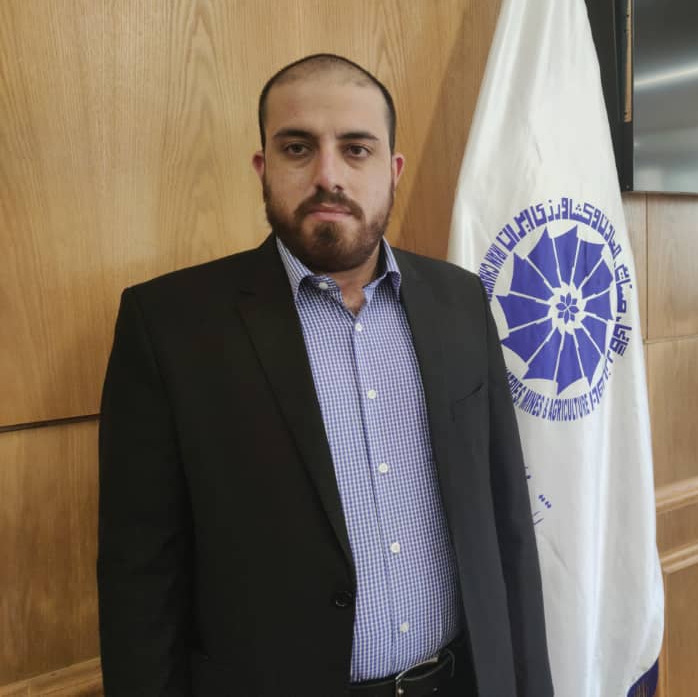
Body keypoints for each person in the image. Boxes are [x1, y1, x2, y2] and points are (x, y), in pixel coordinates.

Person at [97, 54, 554, 697]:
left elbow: (506, 522)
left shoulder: (460, 301)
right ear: (263, 167)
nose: (328, 176)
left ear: (393, 170)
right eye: (297, 148)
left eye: (356, 149)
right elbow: (140, 575)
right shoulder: (169, 326)